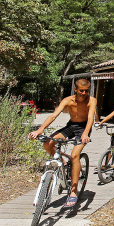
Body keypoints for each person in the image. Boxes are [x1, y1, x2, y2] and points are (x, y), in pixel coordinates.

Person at [29, 78, 96, 208]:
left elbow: (90, 118)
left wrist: (85, 134)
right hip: (71, 126)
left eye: (86, 91)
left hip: (83, 128)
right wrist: (39, 130)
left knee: (75, 155)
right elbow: (54, 116)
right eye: (81, 90)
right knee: (48, 143)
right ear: (75, 89)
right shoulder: (67, 100)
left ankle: (73, 191)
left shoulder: (91, 101)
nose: (84, 93)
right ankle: (63, 161)